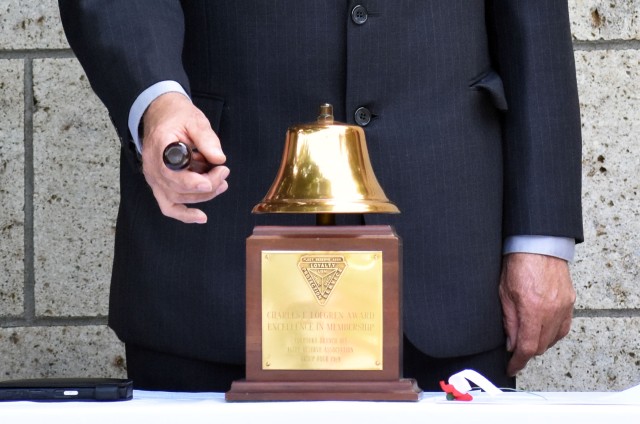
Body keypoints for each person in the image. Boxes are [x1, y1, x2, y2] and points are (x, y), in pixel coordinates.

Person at [58, 1, 583, 392]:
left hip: (446, 262)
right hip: (211, 267)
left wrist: (540, 238)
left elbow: (535, 29)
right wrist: (158, 102)